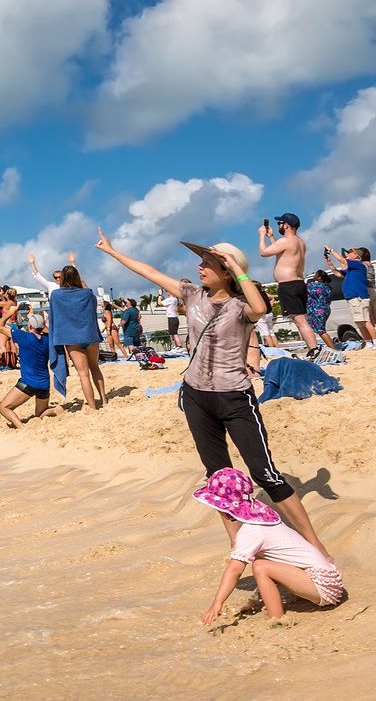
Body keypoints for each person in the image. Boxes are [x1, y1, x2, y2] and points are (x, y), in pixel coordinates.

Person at [96, 229, 330, 556]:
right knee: (218, 478)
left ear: (227, 272)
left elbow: (261, 308)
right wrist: (112, 251)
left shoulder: (241, 305)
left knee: (266, 474)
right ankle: (239, 546)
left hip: (234, 397)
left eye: (208, 263)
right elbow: (148, 271)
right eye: (201, 261)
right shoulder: (192, 295)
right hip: (196, 397)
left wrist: (237, 268)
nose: (200, 267)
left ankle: (315, 544)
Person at [195, 469, 345, 626]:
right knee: (260, 561)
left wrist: (217, 602)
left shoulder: (251, 530)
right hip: (325, 578)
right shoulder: (261, 514)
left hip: (324, 586)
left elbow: (235, 570)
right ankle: (279, 604)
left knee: (260, 567)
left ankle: (277, 621)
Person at [260, 213, 325, 352]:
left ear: (286, 225)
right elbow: (280, 253)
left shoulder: (285, 241)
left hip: (288, 285)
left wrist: (261, 235)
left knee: (300, 321)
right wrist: (271, 237)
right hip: (299, 284)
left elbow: (264, 252)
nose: (279, 226)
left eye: (280, 223)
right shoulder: (300, 242)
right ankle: (312, 349)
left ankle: (314, 349)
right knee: (300, 320)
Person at [47, 264, 105, 409]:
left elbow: (55, 317)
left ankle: (92, 406)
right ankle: (104, 400)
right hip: (89, 336)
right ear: (77, 277)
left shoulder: (56, 295)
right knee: (95, 368)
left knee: (83, 374)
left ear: (63, 278)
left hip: (72, 338)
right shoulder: (87, 293)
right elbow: (91, 297)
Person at [0, 313, 60, 429]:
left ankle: (21, 428)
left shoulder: (24, 337)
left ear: (30, 326)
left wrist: (11, 312)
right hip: (44, 384)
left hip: (28, 382)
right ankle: (57, 410)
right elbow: (49, 332)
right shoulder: (48, 340)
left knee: (3, 407)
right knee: (40, 414)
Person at [326, 245, 375, 343]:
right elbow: (338, 274)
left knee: (366, 321)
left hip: (359, 296)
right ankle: (368, 343)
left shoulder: (359, 265)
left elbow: (342, 260)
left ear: (358, 257)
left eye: (352, 252)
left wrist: (331, 250)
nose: (349, 253)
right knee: (359, 323)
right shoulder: (352, 269)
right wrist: (330, 263)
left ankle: (375, 341)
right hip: (351, 297)